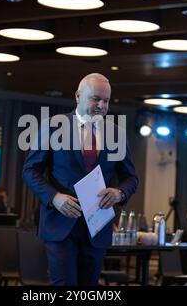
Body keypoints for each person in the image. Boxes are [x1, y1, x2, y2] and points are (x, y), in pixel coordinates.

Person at [22, 73, 138, 286]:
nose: (102, 105)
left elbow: (131, 178)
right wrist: (55, 197)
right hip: (60, 224)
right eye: (96, 99)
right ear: (78, 96)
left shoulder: (116, 134)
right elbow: (30, 171)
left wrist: (119, 192)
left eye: (106, 100)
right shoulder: (52, 126)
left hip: (97, 225)